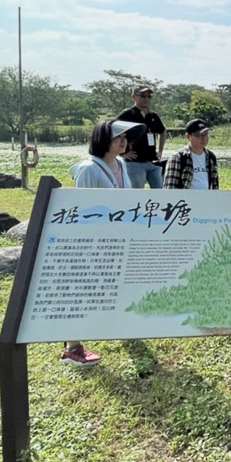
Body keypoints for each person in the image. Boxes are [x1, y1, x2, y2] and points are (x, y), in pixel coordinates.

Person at [62, 119, 143, 366]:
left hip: (119, 237)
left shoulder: (120, 164)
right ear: (102, 138)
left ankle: (120, 326)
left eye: (126, 137)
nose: (123, 140)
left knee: (119, 285)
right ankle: (71, 348)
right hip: (95, 243)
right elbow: (84, 210)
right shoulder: (89, 169)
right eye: (117, 136)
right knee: (85, 292)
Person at [117, 83, 167, 189]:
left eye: (149, 96)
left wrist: (160, 150)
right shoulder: (128, 114)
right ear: (134, 97)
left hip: (153, 162)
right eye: (143, 96)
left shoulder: (153, 115)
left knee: (159, 194)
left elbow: (162, 132)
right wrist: (122, 153)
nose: (146, 99)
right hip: (135, 162)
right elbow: (112, 131)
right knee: (137, 194)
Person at [163, 119, 219, 190]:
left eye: (206, 134)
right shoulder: (178, 157)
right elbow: (170, 188)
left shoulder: (211, 157)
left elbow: (214, 184)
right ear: (188, 137)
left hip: (207, 199)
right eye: (198, 135)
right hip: (185, 200)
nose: (204, 138)